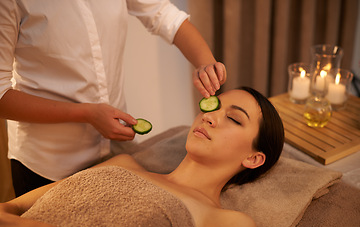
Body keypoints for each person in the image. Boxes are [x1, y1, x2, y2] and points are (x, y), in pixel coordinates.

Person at [0, 0, 227, 196]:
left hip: (114, 150)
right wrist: (86, 114)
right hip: (48, 163)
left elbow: (164, 16)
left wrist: (205, 63)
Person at [0, 87, 284, 227]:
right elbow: (13, 206)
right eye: (213, 105)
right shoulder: (124, 164)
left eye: (233, 118)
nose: (209, 116)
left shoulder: (230, 223)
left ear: (253, 158)